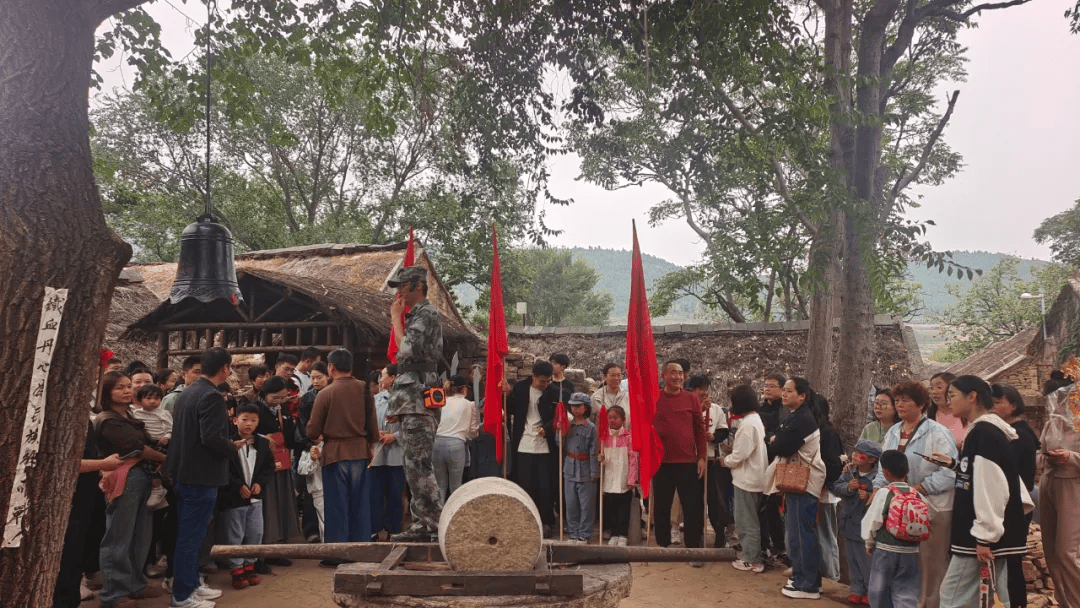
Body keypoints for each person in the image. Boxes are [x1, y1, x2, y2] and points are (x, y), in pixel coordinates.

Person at [936, 375, 1028, 608]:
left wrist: (985, 536)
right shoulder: (984, 432)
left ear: (972, 396)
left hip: (977, 537)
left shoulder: (984, 433)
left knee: (952, 598)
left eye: (952, 395)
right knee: (986, 599)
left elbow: (991, 486)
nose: (949, 402)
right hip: (982, 534)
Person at [872, 380, 957, 608]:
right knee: (907, 563)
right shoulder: (893, 432)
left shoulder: (938, 433)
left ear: (920, 404)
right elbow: (883, 468)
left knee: (932, 563)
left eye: (905, 400)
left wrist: (919, 488)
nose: (900, 405)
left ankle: (930, 604)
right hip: (899, 508)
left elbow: (949, 473)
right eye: (897, 400)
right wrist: (877, 491)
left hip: (933, 507)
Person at [166, 347, 239, 608]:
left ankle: (192, 584)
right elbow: (211, 439)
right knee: (190, 537)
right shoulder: (211, 397)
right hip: (201, 475)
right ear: (224, 369)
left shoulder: (188, 393)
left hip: (185, 472)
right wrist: (232, 447)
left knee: (190, 535)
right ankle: (183, 595)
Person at [94, 372, 168, 608]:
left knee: (140, 536)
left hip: (141, 477)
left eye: (128, 387)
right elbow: (137, 448)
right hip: (124, 478)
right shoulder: (107, 419)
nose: (126, 391)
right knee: (118, 537)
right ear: (107, 393)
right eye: (119, 388)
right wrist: (164, 458)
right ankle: (113, 594)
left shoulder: (127, 414)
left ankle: (136, 584)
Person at [385, 265, 445, 542]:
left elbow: (405, 352)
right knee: (413, 466)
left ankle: (433, 525)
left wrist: (396, 319)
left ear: (417, 285)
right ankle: (423, 522)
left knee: (419, 465)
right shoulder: (420, 315)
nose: (398, 291)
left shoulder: (426, 313)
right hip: (413, 400)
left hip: (418, 400)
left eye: (402, 285)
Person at [306, 349, 379, 562]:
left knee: (337, 506)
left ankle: (337, 555)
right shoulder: (364, 390)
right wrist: (371, 445)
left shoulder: (325, 393)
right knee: (360, 505)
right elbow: (373, 427)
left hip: (334, 454)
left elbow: (312, 430)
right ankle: (360, 551)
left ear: (331, 368)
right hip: (360, 452)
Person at [765, 377, 826, 600]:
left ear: (802, 396)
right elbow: (776, 437)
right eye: (785, 391)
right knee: (799, 532)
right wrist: (774, 438)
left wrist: (774, 439)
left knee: (802, 534)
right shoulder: (796, 416)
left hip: (804, 483)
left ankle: (807, 583)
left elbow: (781, 444)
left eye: (789, 391)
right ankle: (805, 578)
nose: (784, 394)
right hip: (799, 482)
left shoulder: (802, 420)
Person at [53, 421, 123, 608]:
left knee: (78, 554)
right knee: (69, 555)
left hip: (87, 496)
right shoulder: (62, 418)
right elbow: (63, 462)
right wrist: (103, 463)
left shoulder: (84, 417)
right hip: (70, 499)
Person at [990, 382, 1039, 608]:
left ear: (1014, 405)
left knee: (1011, 562)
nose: (992, 406)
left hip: (1015, 506)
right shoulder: (1006, 432)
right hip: (1008, 505)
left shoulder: (1019, 436)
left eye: (998, 402)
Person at [652, 361, 708, 557]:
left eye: (680, 374)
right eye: (673, 373)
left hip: (687, 462)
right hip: (661, 462)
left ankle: (693, 547)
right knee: (661, 506)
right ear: (663, 375)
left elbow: (700, 430)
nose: (678, 377)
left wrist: (702, 457)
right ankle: (663, 545)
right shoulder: (655, 396)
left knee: (692, 506)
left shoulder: (691, 398)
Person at [218, 403, 273, 590]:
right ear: (235, 421)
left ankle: (250, 565)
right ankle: (236, 569)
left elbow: (268, 468)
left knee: (255, 532)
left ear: (258, 423)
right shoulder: (227, 442)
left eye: (253, 420)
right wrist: (237, 485)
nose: (248, 424)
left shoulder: (263, 443)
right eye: (244, 420)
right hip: (234, 498)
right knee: (235, 533)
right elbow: (223, 468)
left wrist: (260, 483)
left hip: (256, 497)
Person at [1037, 377, 1080, 608]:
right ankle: (1065, 602)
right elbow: (1040, 451)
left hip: (1073, 486)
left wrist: (1071, 457)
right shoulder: (1052, 422)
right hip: (1048, 482)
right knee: (1051, 551)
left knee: (1067, 552)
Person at [862, 450, 921, 608]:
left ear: (885, 473)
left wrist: (869, 543)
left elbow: (873, 521)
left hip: (885, 550)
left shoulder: (884, 493)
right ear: (907, 471)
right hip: (911, 551)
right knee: (907, 591)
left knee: (879, 591)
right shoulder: (917, 495)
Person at [721, 385, 768, 574]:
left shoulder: (748, 424)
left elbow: (740, 455)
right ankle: (753, 555)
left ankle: (752, 559)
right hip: (753, 477)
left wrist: (725, 461)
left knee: (746, 522)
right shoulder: (755, 420)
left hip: (747, 480)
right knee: (750, 520)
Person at [508, 360, 557, 536]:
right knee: (525, 484)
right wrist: (505, 395)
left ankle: (545, 521)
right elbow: (511, 410)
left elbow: (557, 418)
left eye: (547, 381)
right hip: (523, 443)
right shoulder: (520, 388)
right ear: (533, 376)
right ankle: (524, 519)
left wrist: (548, 429)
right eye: (541, 381)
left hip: (544, 445)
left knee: (545, 485)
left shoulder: (552, 392)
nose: (544, 385)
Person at [256, 376, 300, 559]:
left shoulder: (284, 411)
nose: (278, 402)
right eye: (275, 398)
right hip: (264, 465)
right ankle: (269, 544)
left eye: (282, 397)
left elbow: (290, 436)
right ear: (265, 394)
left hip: (283, 461)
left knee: (283, 501)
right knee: (269, 503)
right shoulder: (255, 409)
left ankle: (282, 540)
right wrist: (263, 438)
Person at [833, 438, 882, 604]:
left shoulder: (877, 478)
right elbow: (837, 486)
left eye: (861, 454)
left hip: (866, 525)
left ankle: (869, 589)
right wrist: (848, 488)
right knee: (852, 557)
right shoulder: (849, 472)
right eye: (855, 452)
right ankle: (856, 588)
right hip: (849, 522)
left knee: (866, 560)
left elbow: (882, 496)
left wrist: (869, 496)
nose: (855, 455)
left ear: (872, 460)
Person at [688, 374, 731, 548]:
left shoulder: (716, 409)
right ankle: (694, 540)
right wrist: (698, 410)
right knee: (694, 502)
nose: (704, 393)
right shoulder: (687, 408)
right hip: (692, 460)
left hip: (711, 459)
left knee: (715, 501)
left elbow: (724, 430)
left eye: (706, 389)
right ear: (692, 391)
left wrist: (713, 437)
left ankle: (720, 535)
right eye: (700, 389)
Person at [369, 364, 406, 541]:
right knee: (374, 494)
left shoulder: (407, 399)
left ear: (393, 378)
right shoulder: (376, 399)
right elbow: (368, 421)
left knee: (395, 493)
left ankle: (393, 530)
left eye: (383, 375)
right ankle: (373, 529)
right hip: (376, 454)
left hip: (397, 455)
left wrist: (396, 436)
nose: (380, 379)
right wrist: (376, 433)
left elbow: (413, 426)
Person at [294, 361, 329, 543]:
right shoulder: (307, 398)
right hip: (312, 447)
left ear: (328, 376)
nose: (315, 381)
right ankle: (311, 530)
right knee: (311, 492)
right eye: (312, 377)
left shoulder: (333, 394)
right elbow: (301, 426)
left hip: (330, 447)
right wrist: (310, 443)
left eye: (319, 377)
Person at [434, 375, 479, 501]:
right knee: (455, 486)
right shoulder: (469, 404)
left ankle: (438, 517)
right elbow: (473, 432)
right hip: (456, 444)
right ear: (464, 388)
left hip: (437, 443)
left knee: (440, 486)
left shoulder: (440, 402)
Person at [758, 373, 788, 561]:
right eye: (766, 385)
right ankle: (766, 544)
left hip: (777, 462)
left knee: (774, 506)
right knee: (762, 506)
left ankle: (780, 545)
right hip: (760, 463)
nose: (767, 388)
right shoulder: (759, 409)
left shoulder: (785, 410)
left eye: (772, 385)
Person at [815, 395, 844, 582]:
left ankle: (832, 575)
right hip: (814, 491)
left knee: (826, 535)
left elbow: (834, 466)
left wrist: (821, 485)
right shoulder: (816, 431)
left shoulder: (828, 434)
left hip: (824, 493)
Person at [599, 405, 638, 546]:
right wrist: (602, 460)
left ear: (623, 419)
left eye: (615, 418)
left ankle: (623, 534)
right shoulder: (604, 438)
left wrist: (632, 478)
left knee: (624, 508)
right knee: (611, 509)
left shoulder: (628, 437)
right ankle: (614, 533)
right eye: (610, 418)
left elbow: (633, 459)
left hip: (623, 477)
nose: (612, 421)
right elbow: (604, 459)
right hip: (609, 478)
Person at [132, 384, 171, 510]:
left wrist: (167, 437)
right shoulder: (136, 414)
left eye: (156, 398)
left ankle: (158, 488)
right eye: (148, 398)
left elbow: (171, 428)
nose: (153, 401)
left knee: (153, 463)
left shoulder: (163, 413)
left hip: (161, 443)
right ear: (140, 400)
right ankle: (158, 487)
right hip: (146, 443)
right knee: (146, 463)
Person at [927, 372, 964, 445]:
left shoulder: (965, 412)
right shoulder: (929, 417)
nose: (934, 392)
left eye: (939, 387)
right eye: (931, 388)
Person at [591, 363, 630, 428]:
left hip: (623, 437)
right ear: (604, 377)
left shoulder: (626, 397)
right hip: (602, 437)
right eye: (613, 375)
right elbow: (591, 421)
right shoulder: (596, 398)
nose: (616, 378)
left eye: (619, 375)